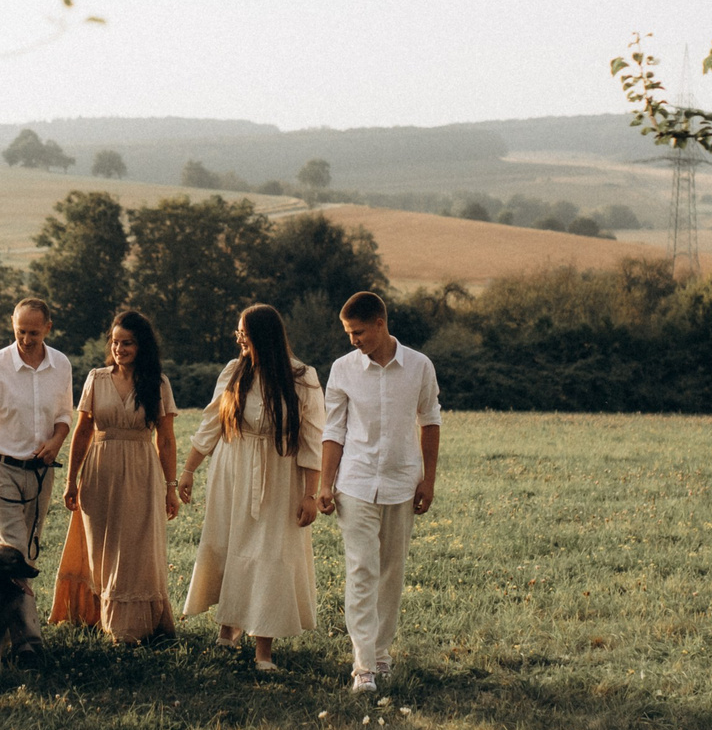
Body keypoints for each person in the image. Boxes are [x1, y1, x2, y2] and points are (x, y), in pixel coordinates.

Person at [179, 303, 324, 673]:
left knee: (269, 553)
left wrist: (310, 493)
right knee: (230, 545)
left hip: (279, 475)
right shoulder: (234, 371)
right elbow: (212, 423)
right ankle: (228, 629)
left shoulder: (302, 378)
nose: (238, 337)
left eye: (243, 332)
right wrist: (188, 470)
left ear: (261, 335)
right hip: (233, 469)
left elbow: (312, 439)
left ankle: (264, 649)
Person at [318, 290, 440, 693]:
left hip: (402, 482)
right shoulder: (342, 369)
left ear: (380, 325)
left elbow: (430, 421)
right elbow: (333, 430)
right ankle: (363, 666)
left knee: (391, 573)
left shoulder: (420, 366)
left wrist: (429, 478)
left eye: (358, 332)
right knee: (361, 570)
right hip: (354, 483)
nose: (353, 340)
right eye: (348, 333)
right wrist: (325, 483)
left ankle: (381, 655)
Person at [50, 309, 180, 643]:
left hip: (141, 470)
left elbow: (166, 439)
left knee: (136, 546)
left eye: (129, 344)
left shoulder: (158, 383)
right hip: (99, 470)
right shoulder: (96, 378)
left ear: (142, 347)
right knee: (101, 546)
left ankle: (131, 626)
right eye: (116, 342)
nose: (120, 349)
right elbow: (82, 432)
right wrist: (71, 480)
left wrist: (171, 486)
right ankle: (96, 615)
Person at [0, 298, 74, 642]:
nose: (26, 338)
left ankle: (0, 630)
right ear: (13, 325)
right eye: (20, 331)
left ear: (48, 329)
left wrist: (56, 442)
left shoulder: (61, 365)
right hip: (0, 471)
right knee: (16, 554)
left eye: (34, 333)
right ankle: (28, 642)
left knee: (29, 549)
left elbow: (64, 415)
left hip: (41, 472)